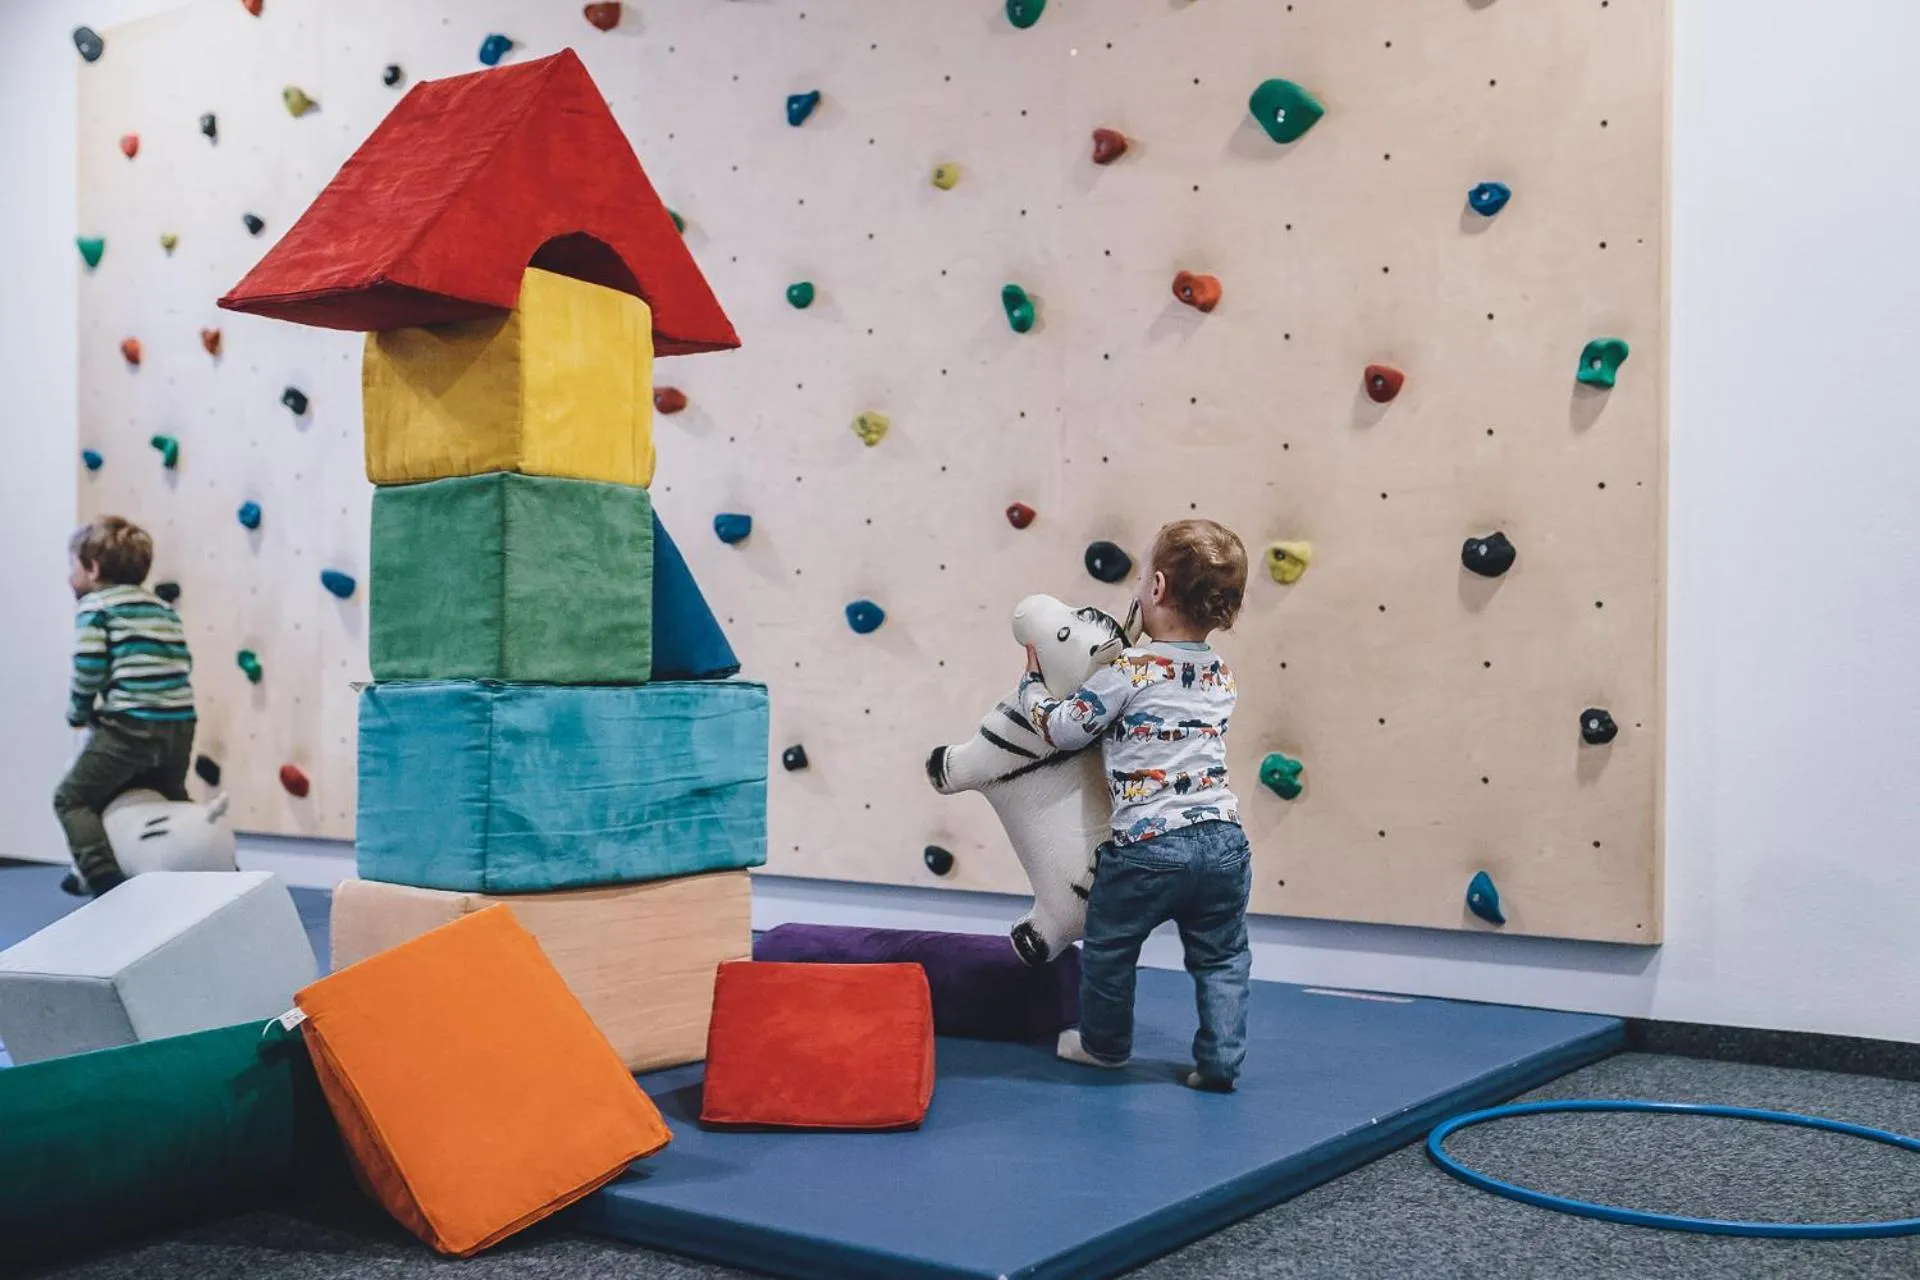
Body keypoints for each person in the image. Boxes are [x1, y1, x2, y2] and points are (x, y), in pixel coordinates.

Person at [1019, 519, 1252, 1091]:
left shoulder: (1130, 670)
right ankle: (1220, 1061)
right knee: (1222, 958)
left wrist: (1033, 689)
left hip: (1150, 848)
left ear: (1156, 589)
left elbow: (1068, 730)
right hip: (1224, 842)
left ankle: (1104, 1045)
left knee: (1110, 949)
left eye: (1144, 574)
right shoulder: (1220, 673)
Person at [55, 517, 197, 896]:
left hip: (130, 725)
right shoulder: (163, 609)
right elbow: (183, 663)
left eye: (73, 566)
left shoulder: (96, 606)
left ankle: (102, 879)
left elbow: (88, 666)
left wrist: (79, 711)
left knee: (72, 799)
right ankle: (205, 861)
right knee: (171, 799)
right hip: (180, 723)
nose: (70, 576)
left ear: (94, 568)